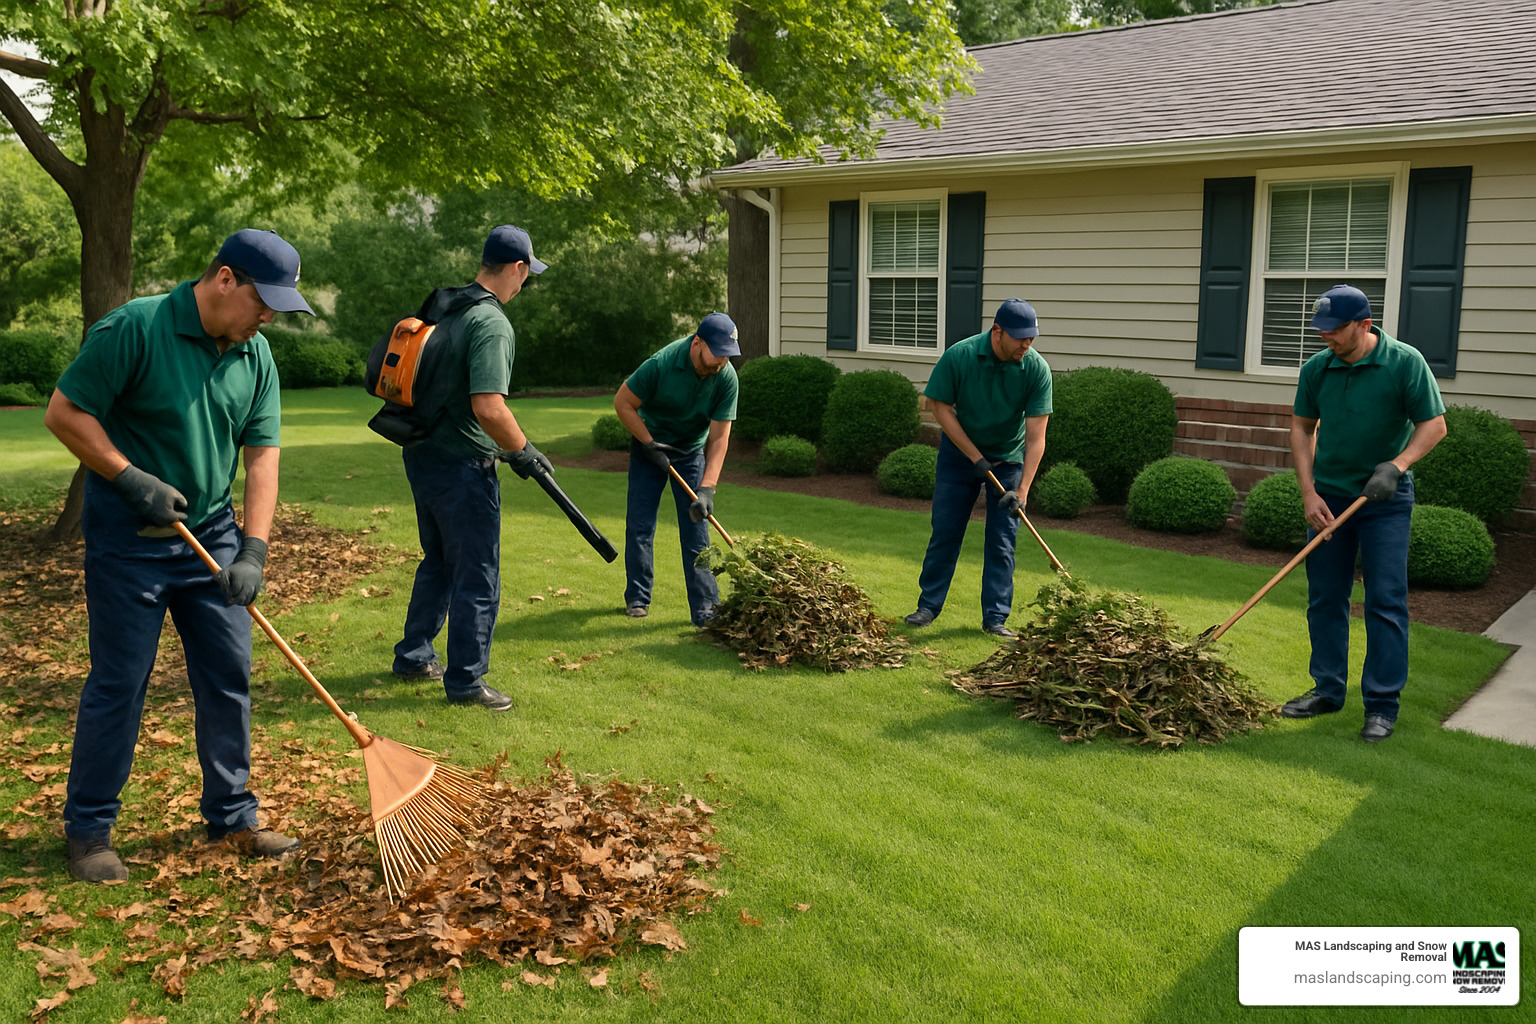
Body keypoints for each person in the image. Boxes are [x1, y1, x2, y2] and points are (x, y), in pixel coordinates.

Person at [43, 229, 313, 882]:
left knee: (228, 675)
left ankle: (233, 817)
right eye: (263, 301)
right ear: (225, 280)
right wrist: (130, 478)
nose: (269, 317)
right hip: (128, 543)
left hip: (211, 536)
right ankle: (89, 830)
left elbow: (263, 457)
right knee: (120, 684)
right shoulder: (133, 330)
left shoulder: (256, 357)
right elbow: (64, 413)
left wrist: (253, 549)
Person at [390, 225, 552, 712]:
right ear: (517, 268)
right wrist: (523, 450)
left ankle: (414, 655)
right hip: (463, 466)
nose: (526, 283)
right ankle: (465, 681)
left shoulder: (448, 308)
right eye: (528, 273)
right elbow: (489, 406)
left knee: (438, 561)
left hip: (422, 453)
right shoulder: (492, 323)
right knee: (477, 572)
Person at [1280, 284, 1447, 743]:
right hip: (1330, 499)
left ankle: (1381, 706)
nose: (1325, 338)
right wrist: (1309, 493)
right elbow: (1301, 426)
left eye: (1334, 330)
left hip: (1384, 503)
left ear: (1364, 325)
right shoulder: (1318, 368)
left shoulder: (1404, 362)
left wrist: (1396, 466)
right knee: (1325, 598)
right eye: (1321, 330)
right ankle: (1328, 690)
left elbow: (1434, 425)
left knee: (1385, 601)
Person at [904, 298, 1052, 638]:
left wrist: (1023, 491)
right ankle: (928, 606)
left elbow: (1036, 438)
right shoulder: (961, 355)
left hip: (1008, 459)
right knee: (946, 530)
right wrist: (974, 456)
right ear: (997, 331)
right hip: (959, 455)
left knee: (1002, 541)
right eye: (1019, 338)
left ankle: (995, 619)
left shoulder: (1036, 369)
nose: (1026, 345)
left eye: (1031, 338)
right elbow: (938, 407)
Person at [614, 313, 740, 625]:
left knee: (697, 529)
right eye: (716, 355)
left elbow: (720, 437)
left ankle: (705, 609)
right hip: (650, 446)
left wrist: (708, 488)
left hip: (690, 451)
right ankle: (638, 597)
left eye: (726, 356)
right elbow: (623, 403)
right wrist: (648, 444)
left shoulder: (725, 377)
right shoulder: (662, 363)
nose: (720, 363)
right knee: (640, 526)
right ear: (697, 343)